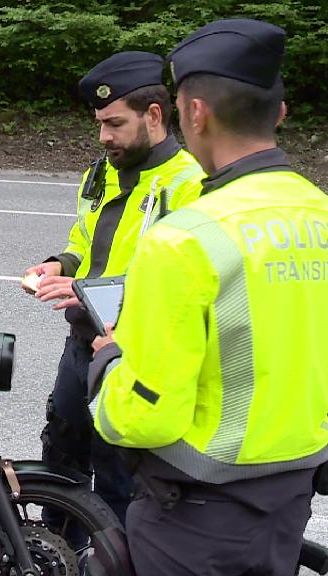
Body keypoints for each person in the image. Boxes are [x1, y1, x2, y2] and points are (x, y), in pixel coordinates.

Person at [87, 19, 328, 575]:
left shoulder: (185, 239)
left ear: (195, 113)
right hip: (290, 499)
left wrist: (107, 364)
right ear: (279, 113)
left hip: (194, 513)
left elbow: (143, 418)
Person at [24, 51, 204, 523]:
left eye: (115, 124)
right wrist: (56, 265)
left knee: (119, 476)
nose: (104, 136)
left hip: (136, 353)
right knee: (62, 458)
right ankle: (56, 553)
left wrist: (80, 286)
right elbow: (83, 242)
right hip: (83, 343)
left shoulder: (190, 185)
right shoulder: (100, 173)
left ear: (155, 116)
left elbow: (182, 282)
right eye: (100, 123)